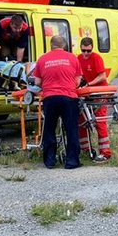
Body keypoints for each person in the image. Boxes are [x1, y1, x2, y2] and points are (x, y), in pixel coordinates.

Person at [29, 34, 82, 169]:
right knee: (71, 130)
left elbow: (37, 82)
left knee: (49, 129)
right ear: (64, 46)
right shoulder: (72, 58)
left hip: (50, 98)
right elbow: (77, 81)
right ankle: (72, 162)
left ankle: (49, 161)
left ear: (51, 46)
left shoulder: (42, 59)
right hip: (68, 97)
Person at [77, 36, 112, 161]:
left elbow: (102, 76)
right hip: (87, 93)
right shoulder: (78, 58)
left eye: (88, 51)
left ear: (92, 49)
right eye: (83, 50)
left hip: (100, 93)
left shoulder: (96, 58)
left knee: (99, 121)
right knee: (81, 121)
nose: (86, 53)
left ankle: (105, 152)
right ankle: (85, 149)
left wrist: (90, 84)